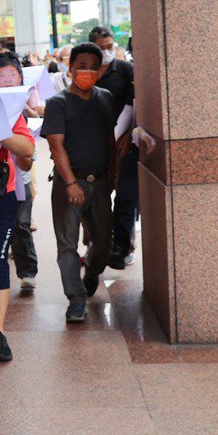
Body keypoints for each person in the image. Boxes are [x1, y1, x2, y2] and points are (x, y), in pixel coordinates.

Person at [42, 42, 117, 322]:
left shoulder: (105, 97)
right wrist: (71, 183)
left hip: (99, 183)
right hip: (68, 185)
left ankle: (93, 271)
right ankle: (75, 298)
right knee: (67, 245)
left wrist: (113, 175)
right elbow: (56, 146)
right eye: (81, 66)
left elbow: (109, 138)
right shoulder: (57, 103)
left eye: (93, 67)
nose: (87, 72)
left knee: (103, 243)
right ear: (70, 68)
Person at [0, 54, 37, 361]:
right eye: (0, 76)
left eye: (11, 76)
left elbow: (27, 149)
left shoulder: (12, 112)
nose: (5, 81)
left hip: (0, 194)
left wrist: (1, 131)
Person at [89, 25, 138, 270]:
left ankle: (121, 246)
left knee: (126, 197)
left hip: (123, 143)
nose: (107, 51)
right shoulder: (86, 72)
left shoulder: (125, 70)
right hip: (94, 144)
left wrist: (127, 133)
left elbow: (135, 104)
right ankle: (95, 243)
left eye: (110, 46)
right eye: (102, 47)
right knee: (96, 196)